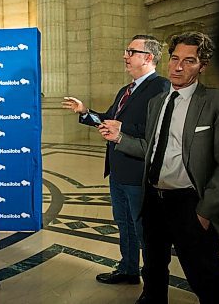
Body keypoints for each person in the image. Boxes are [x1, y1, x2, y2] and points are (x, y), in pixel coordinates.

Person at [100, 31, 219, 304]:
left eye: (189, 60)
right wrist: (121, 139)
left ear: (202, 66)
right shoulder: (156, 102)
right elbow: (150, 149)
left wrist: (206, 212)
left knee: (204, 277)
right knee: (153, 268)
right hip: (153, 199)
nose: (178, 66)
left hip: (190, 204)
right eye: (174, 59)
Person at [62, 35, 169, 286]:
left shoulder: (160, 86)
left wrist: (124, 128)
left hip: (138, 171)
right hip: (118, 170)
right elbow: (108, 119)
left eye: (131, 51)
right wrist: (86, 113)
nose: (125, 56)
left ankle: (154, 285)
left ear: (148, 57)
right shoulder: (126, 90)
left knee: (144, 231)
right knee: (125, 224)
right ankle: (128, 269)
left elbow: (156, 129)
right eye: (126, 51)